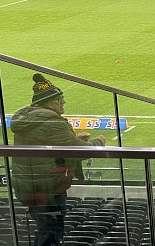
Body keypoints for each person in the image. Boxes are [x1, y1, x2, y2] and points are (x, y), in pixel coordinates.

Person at [10, 74, 107, 246]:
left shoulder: (30, 120)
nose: (63, 103)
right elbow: (78, 151)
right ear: (48, 102)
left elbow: (53, 145)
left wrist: (76, 139)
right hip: (48, 189)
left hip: (29, 185)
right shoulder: (52, 122)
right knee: (52, 233)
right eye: (60, 99)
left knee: (44, 230)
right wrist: (97, 142)